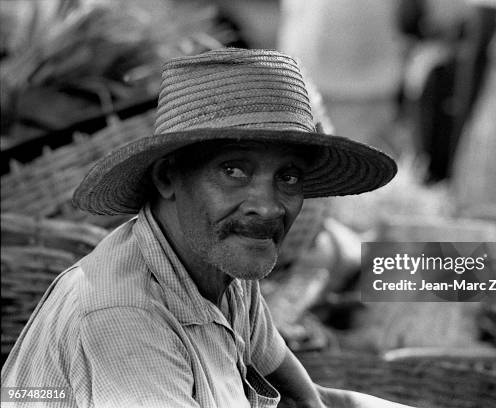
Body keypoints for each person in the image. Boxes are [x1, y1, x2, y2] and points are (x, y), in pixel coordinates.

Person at [1, 48, 410, 407]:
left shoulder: (224, 265)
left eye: (287, 177)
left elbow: (308, 399)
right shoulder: (124, 318)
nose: (267, 207)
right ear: (167, 178)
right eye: (233, 170)